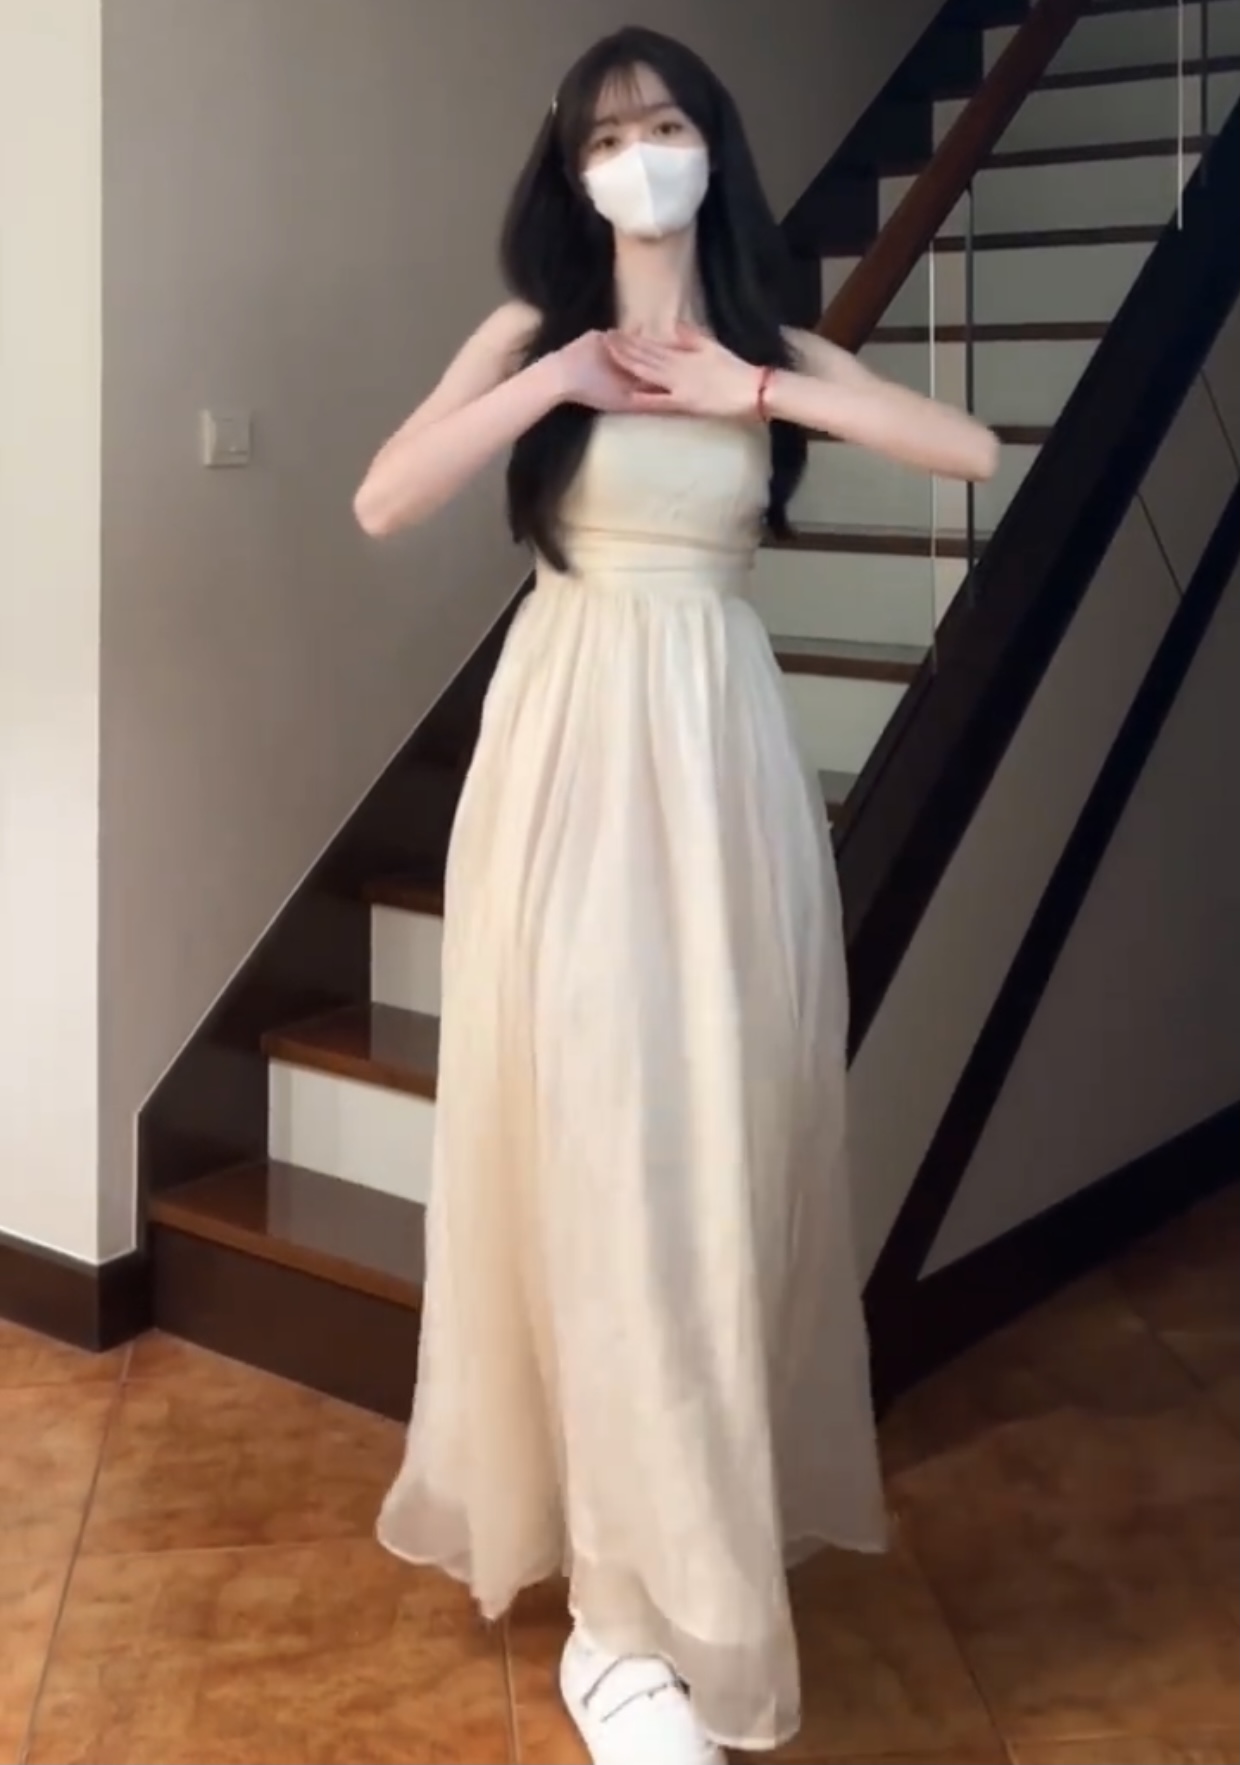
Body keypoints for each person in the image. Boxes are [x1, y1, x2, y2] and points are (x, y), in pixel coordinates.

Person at [354, 25, 998, 1764]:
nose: (638, 155)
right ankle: (616, 1623)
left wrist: (754, 394)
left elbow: (967, 446)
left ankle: (680, 1533)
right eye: (604, 137)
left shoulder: (770, 343)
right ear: (570, 174)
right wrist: (556, 378)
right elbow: (385, 496)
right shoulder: (528, 332)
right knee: (595, 1138)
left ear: (713, 141)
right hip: (566, 757)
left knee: (717, 1141)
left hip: (721, 764)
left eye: (663, 124)